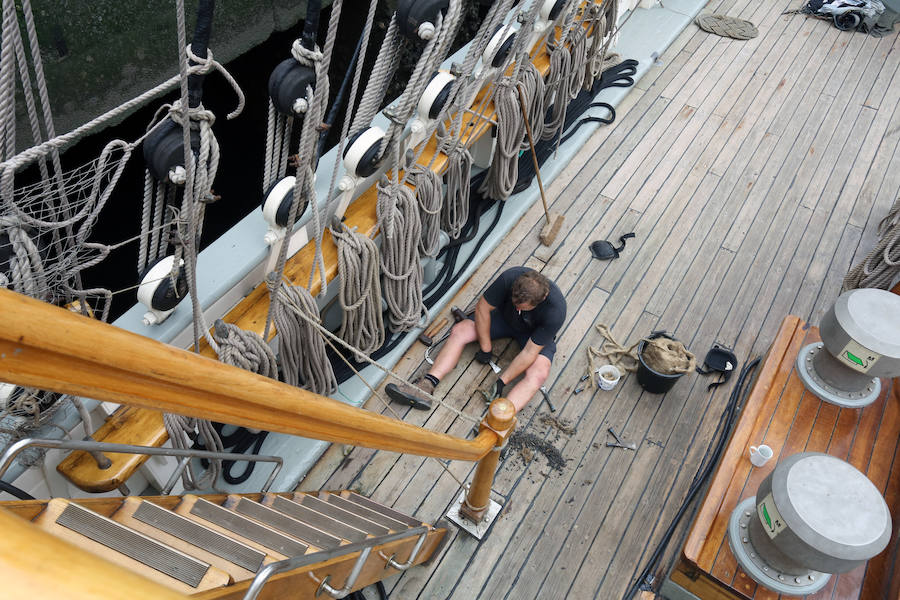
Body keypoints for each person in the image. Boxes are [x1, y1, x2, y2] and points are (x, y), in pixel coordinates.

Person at [386, 267, 566, 412]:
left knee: (539, 373)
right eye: (515, 302)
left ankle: (498, 422)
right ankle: (426, 386)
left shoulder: (555, 312)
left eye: (522, 306)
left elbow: (529, 352)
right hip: (504, 318)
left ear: (541, 300)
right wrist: (486, 347)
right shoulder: (510, 278)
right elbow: (482, 309)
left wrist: (502, 381)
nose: (517, 306)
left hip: (533, 334)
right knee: (460, 330)